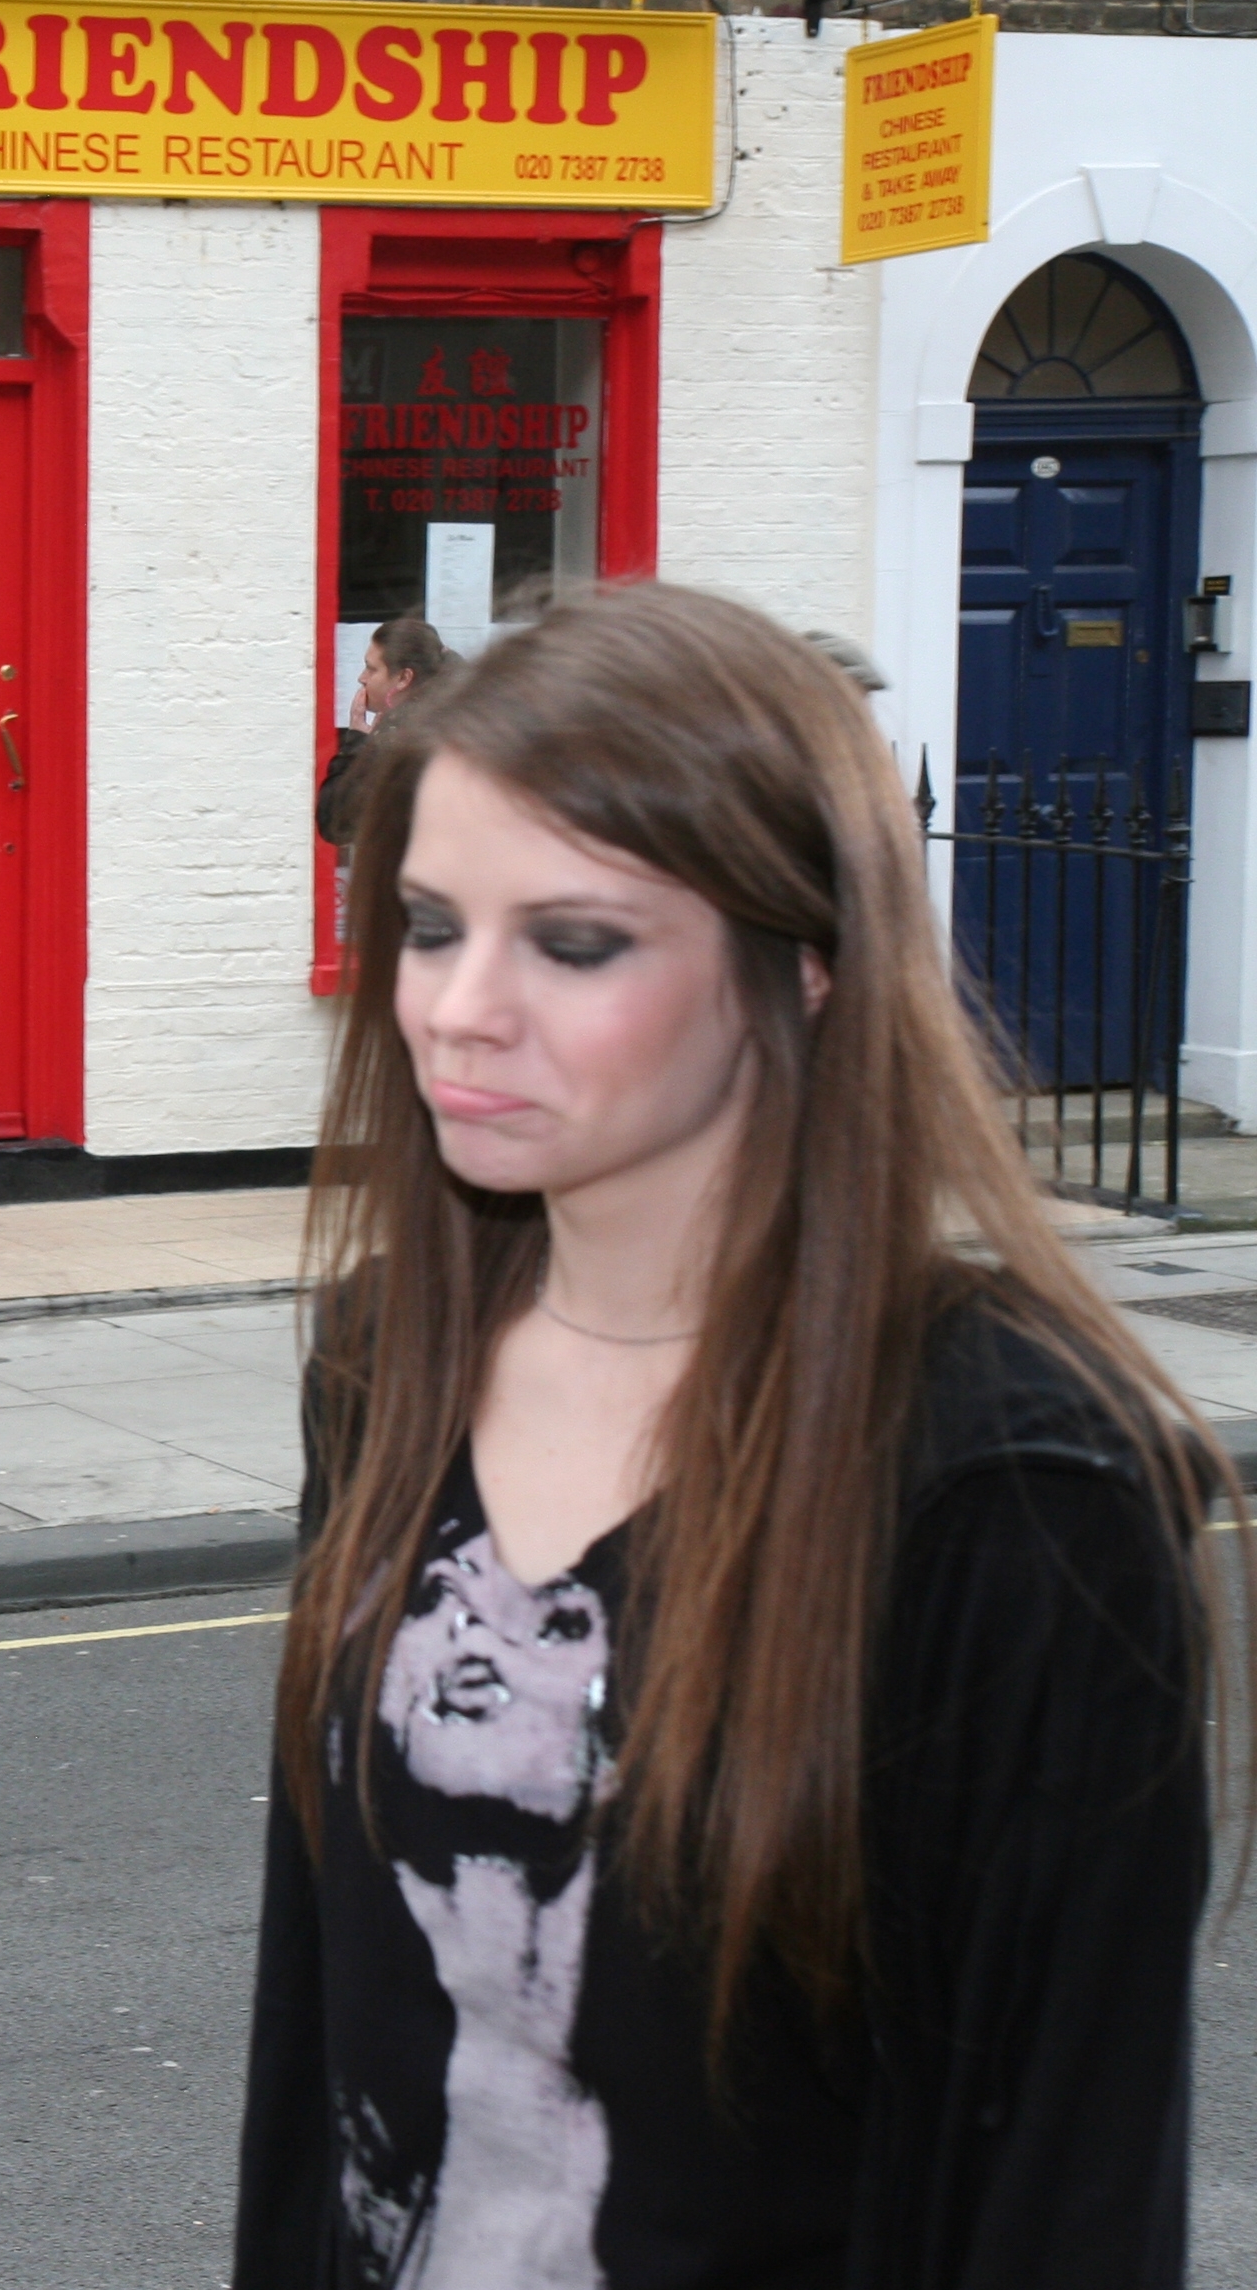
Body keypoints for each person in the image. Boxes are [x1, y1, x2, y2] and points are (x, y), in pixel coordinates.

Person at [234, 580, 1231, 2288]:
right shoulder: (385, 1357)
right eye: (429, 925)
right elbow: (316, 2027)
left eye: (575, 942)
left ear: (806, 963)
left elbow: (1061, 2193)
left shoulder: (1014, 1492)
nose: (459, 1007)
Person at [316, 616, 457, 849]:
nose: (362, 678)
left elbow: (336, 822)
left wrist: (357, 744)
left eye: (371, 669)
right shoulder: (454, 715)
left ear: (403, 678)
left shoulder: (403, 741)